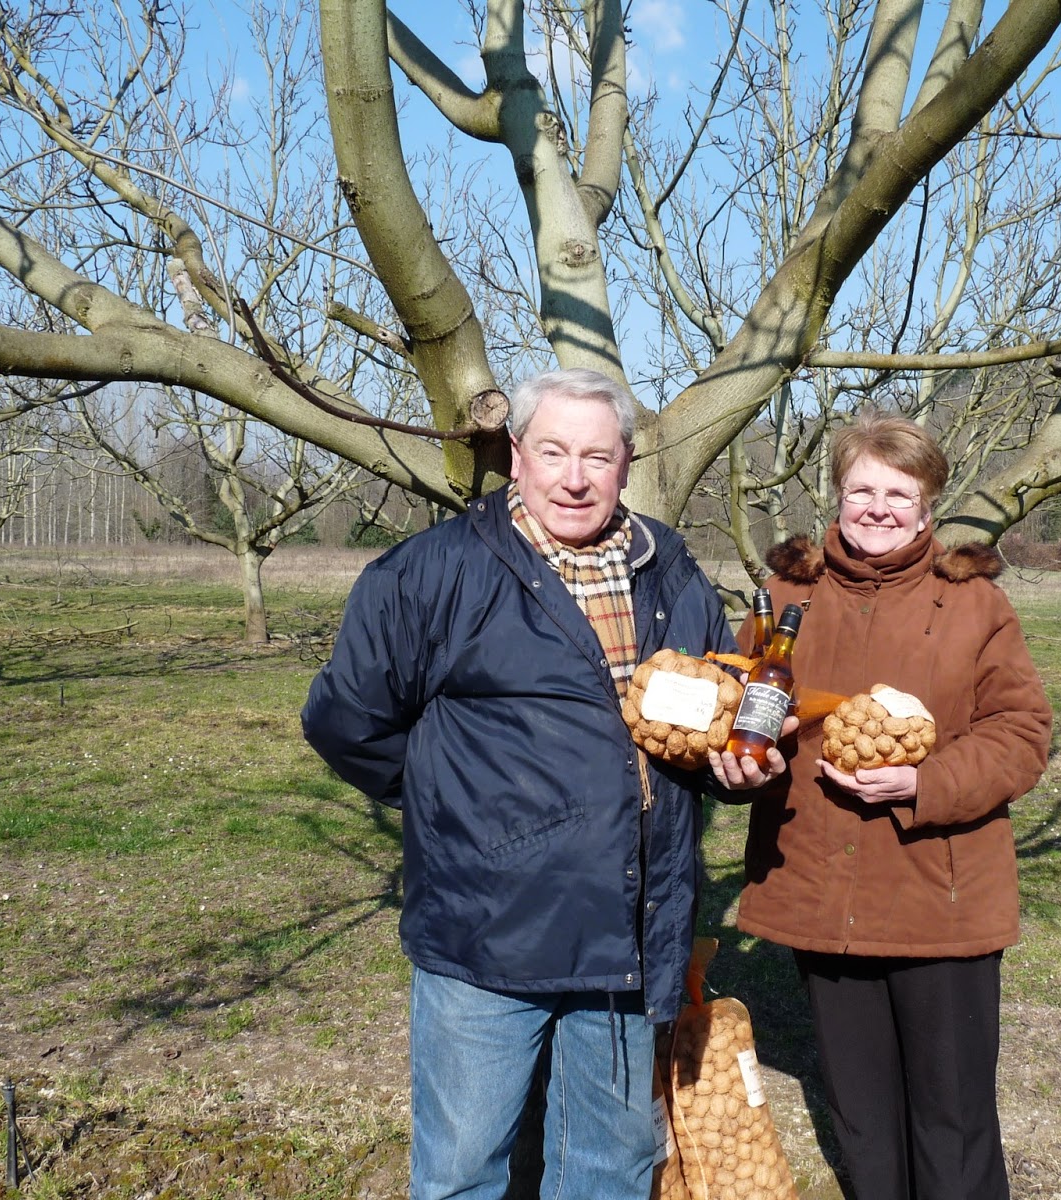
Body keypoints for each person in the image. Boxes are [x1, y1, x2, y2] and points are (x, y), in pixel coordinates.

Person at [301, 368, 785, 1200]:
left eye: (596, 456)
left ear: (626, 462)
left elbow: (708, 722)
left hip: (630, 938)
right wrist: (455, 815)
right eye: (553, 450)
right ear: (516, 455)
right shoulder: (428, 575)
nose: (574, 477)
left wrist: (736, 774)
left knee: (611, 1171)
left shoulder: (670, 570)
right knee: (462, 1173)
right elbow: (346, 720)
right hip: (486, 930)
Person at [734, 411, 1053, 1200]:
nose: (877, 507)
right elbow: (745, 713)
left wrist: (925, 783)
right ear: (836, 497)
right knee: (864, 1118)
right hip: (820, 889)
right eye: (860, 489)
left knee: (953, 1118)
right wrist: (741, 768)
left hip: (938, 897)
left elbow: (1022, 731)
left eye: (897, 493)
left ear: (927, 505)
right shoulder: (786, 596)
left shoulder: (973, 604)